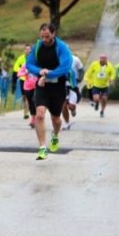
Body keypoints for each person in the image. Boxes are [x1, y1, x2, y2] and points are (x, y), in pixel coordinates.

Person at [26, 23, 73, 160]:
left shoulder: (62, 47)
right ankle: (42, 147)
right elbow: (29, 64)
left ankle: (55, 136)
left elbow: (65, 67)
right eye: (42, 36)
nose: (45, 39)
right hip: (42, 86)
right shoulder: (38, 47)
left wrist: (48, 75)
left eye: (47, 36)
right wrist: (40, 71)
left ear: (53, 33)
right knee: (39, 115)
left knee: (56, 119)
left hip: (58, 86)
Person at [84, 53, 116, 117]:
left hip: (105, 85)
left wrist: (111, 79)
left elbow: (113, 73)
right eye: (101, 58)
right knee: (96, 98)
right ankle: (97, 103)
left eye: (104, 59)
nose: (102, 60)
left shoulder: (110, 66)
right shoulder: (94, 64)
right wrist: (87, 79)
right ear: (99, 59)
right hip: (96, 85)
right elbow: (88, 72)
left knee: (104, 99)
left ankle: (102, 111)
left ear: (106, 59)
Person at [62, 54, 84, 130]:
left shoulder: (75, 59)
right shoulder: (59, 59)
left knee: (71, 106)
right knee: (63, 105)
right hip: (62, 86)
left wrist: (79, 79)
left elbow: (81, 70)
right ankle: (67, 123)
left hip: (73, 85)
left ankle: (73, 109)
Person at [13, 45, 31, 119]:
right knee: (24, 97)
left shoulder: (33, 58)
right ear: (24, 50)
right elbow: (15, 67)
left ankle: (27, 112)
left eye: (28, 49)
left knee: (28, 97)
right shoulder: (21, 58)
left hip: (31, 80)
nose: (27, 50)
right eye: (26, 49)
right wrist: (22, 71)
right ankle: (26, 111)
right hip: (23, 79)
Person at [18, 62, 37, 128]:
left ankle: (37, 118)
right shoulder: (26, 64)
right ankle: (33, 118)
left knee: (34, 101)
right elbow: (18, 74)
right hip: (27, 87)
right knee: (30, 102)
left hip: (37, 86)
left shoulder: (39, 62)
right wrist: (25, 73)